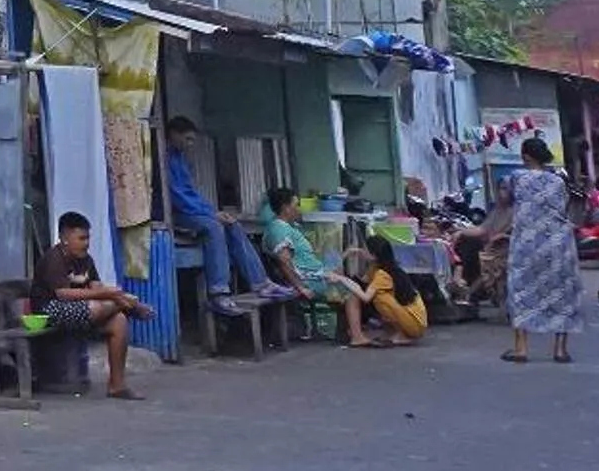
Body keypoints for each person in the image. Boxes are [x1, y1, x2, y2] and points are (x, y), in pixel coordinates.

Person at [163, 117, 291, 310]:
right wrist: (211, 215)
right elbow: (177, 196)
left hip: (192, 210)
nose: (190, 144)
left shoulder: (179, 157)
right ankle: (219, 292)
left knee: (232, 223)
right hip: (173, 213)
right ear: (173, 134)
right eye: (187, 139)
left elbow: (191, 193)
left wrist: (214, 211)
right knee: (214, 227)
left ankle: (261, 283)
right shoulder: (163, 158)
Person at [32, 210, 153, 401]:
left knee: (119, 321)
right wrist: (116, 296)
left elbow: (97, 287)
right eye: (81, 238)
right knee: (101, 307)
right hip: (49, 312)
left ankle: (117, 385)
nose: (86, 243)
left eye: (87, 238)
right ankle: (129, 306)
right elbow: (63, 294)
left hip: (82, 311)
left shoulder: (86, 260)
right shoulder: (53, 258)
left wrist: (112, 295)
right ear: (64, 238)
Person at [258, 187, 387, 348]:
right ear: (285, 208)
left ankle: (350, 330)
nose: (299, 209)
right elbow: (285, 263)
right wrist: (301, 287)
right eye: (296, 205)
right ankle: (357, 336)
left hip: (314, 273)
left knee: (341, 267)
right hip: (308, 279)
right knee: (350, 290)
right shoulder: (278, 230)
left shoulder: (288, 227)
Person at [500, 136, 583, 364]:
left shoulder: (516, 178)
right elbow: (564, 208)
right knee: (563, 292)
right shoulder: (557, 180)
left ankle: (521, 348)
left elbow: (504, 202)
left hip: (527, 243)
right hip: (559, 243)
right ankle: (560, 350)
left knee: (521, 292)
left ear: (525, 156)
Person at [361, 235, 427, 343]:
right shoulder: (380, 267)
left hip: (415, 324)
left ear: (373, 256)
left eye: (364, 249)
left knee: (380, 298)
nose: (361, 251)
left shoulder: (382, 274)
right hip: (416, 321)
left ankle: (403, 333)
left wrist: (342, 279)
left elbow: (365, 297)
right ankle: (395, 331)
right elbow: (362, 281)